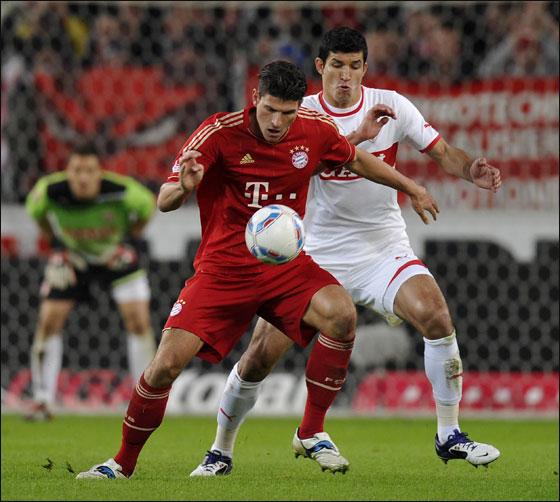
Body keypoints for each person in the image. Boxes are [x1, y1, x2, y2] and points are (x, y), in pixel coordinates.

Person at [76, 60, 439, 479]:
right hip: (222, 272)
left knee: (341, 314)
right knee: (164, 367)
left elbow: (352, 158)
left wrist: (412, 188)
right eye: (270, 110)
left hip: (285, 268)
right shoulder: (218, 132)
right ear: (255, 99)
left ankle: (311, 431)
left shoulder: (314, 128)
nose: (277, 122)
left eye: (287, 112)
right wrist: (184, 186)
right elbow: (164, 199)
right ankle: (121, 464)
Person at [191, 26, 503, 477]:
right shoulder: (298, 112)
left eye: (355, 66)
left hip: (382, 246)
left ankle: (449, 434)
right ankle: (220, 450)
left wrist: (470, 169)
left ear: (364, 68)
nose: (346, 75)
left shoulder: (392, 105)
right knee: (259, 355)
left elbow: (442, 152)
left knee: (436, 317)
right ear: (320, 67)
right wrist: (356, 136)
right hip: (312, 251)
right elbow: (295, 165)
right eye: (337, 65)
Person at [24, 141, 157, 421]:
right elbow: (37, 213)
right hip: (74, 259)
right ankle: (42, 401)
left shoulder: (123, 190)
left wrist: (129, 240)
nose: (83, 177)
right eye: (76, 170)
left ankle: (145, 403)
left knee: (139, 322)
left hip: (114, 256)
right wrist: (56, 245)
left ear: (100, 173)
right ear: (67, 172)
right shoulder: (49, 191)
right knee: (48, 321)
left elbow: (149, 208)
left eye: (89, 171)